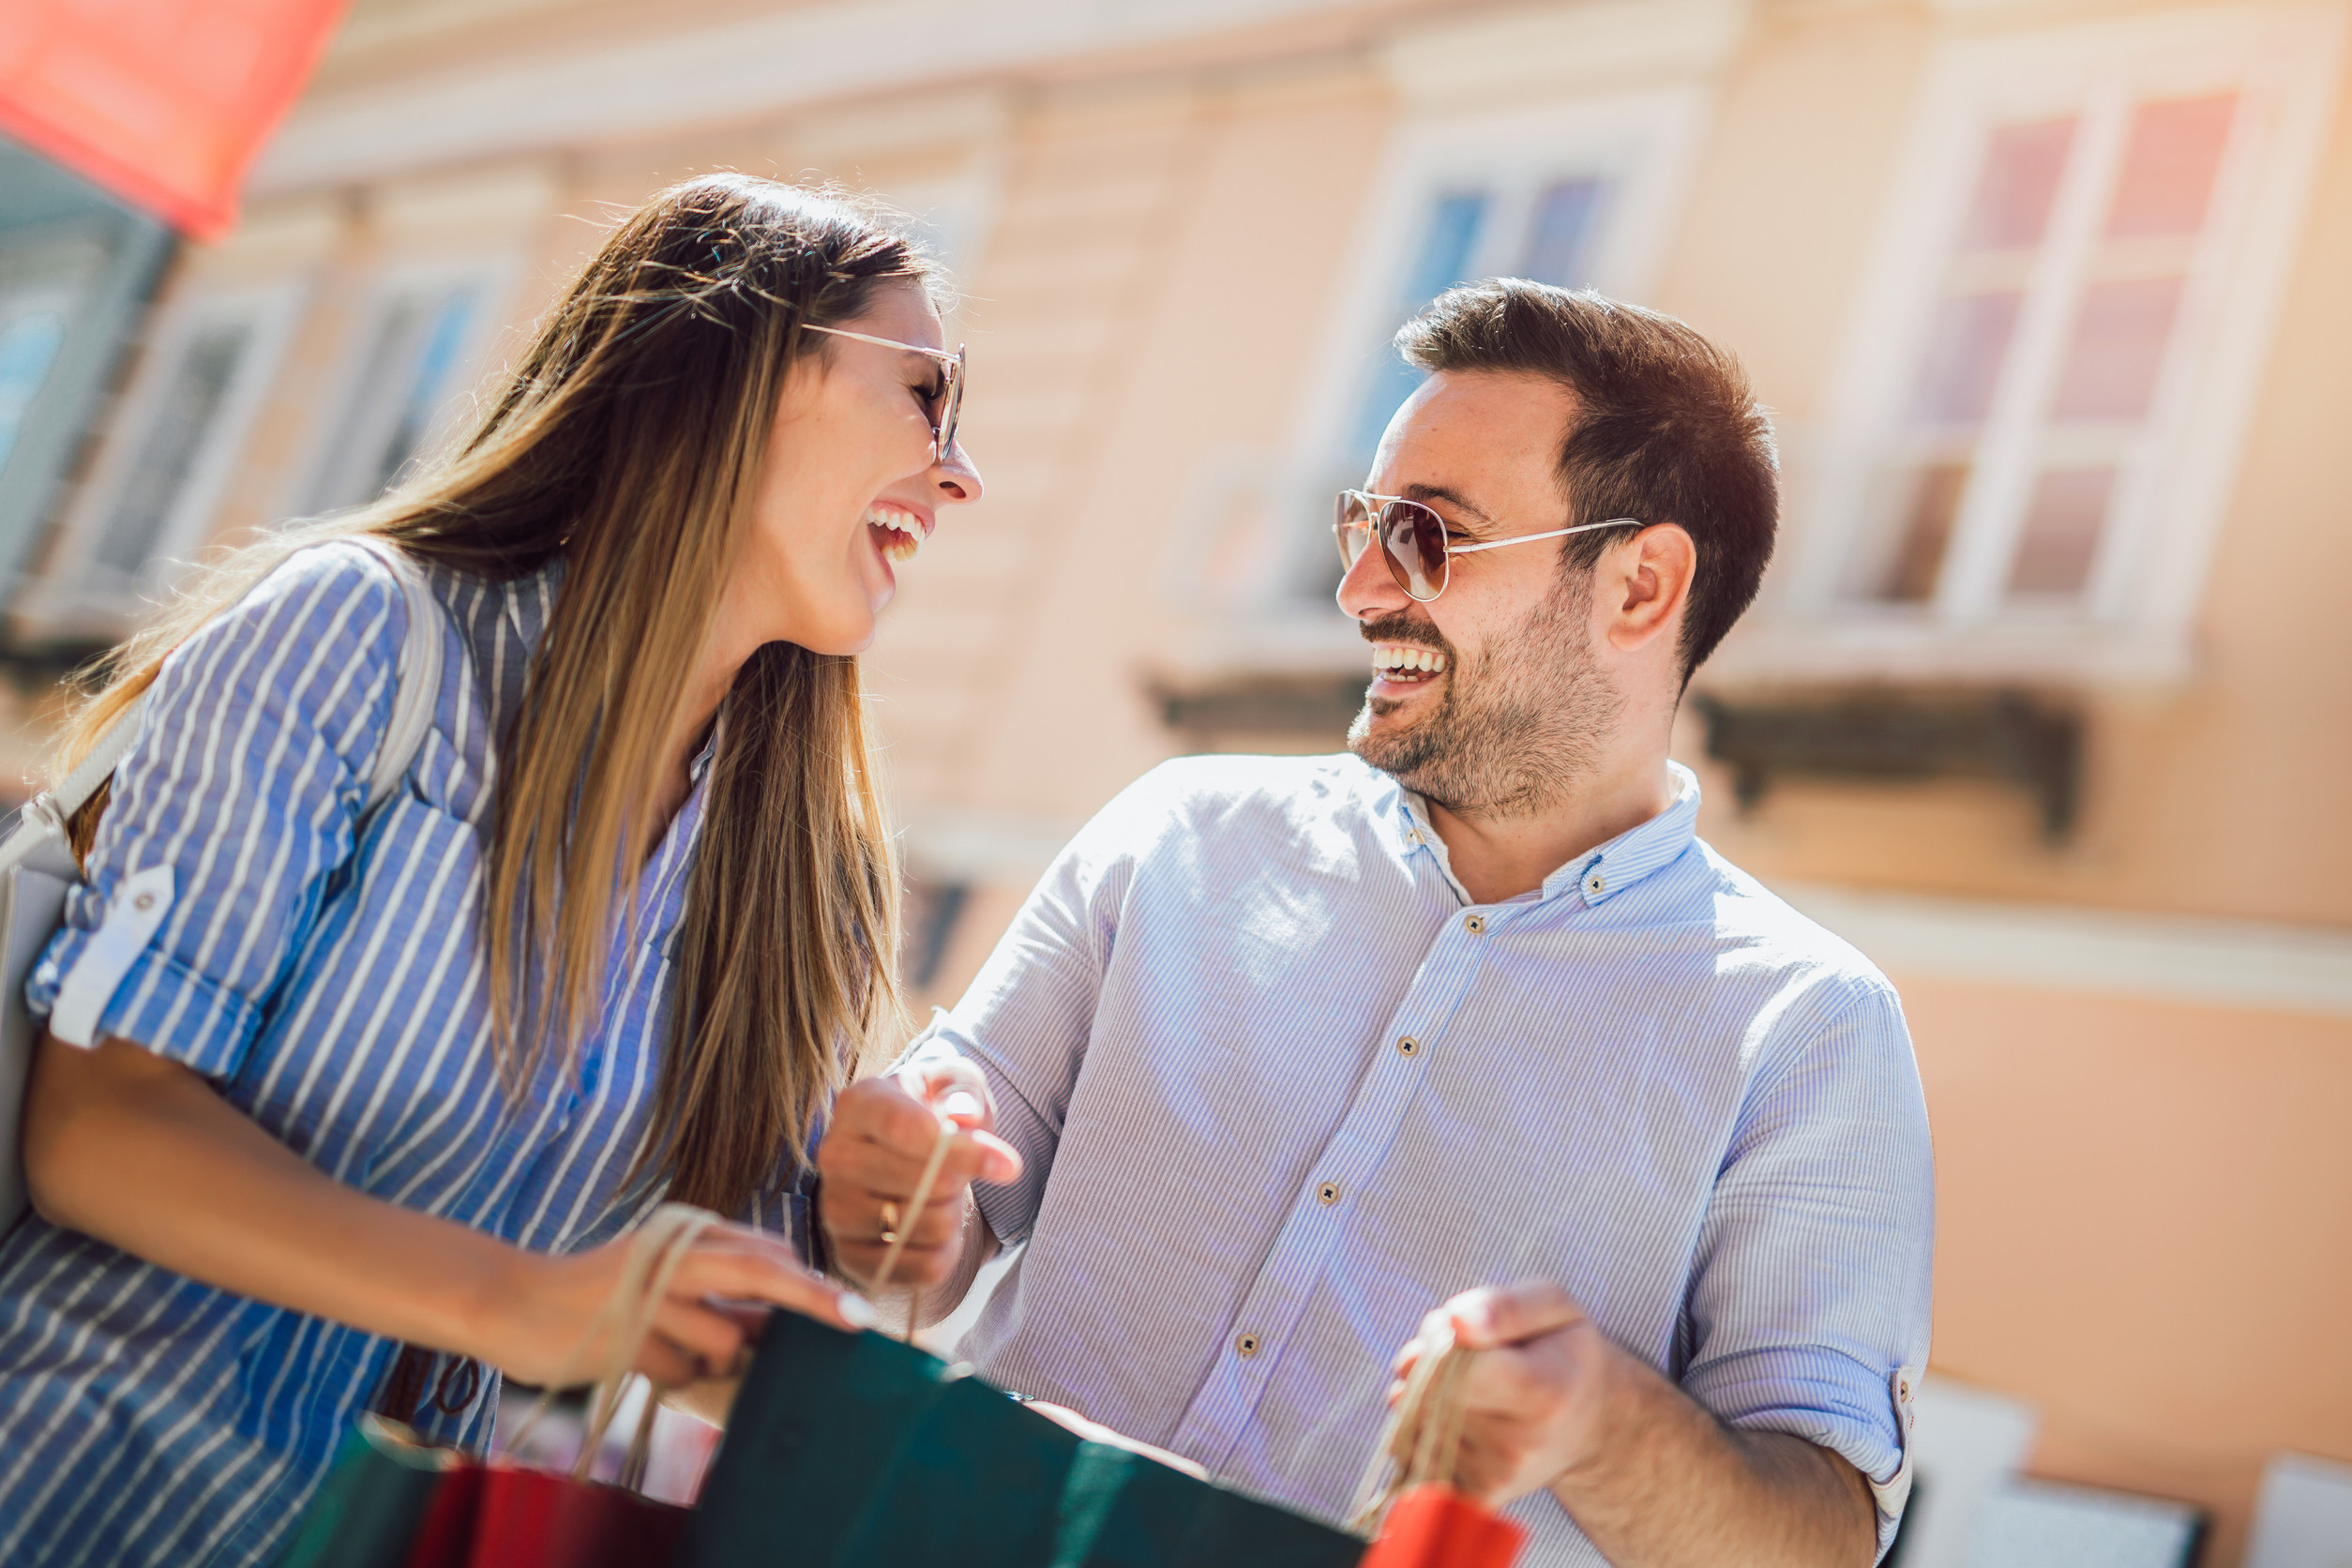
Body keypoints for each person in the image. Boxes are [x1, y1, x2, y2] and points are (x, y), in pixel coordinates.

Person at [817, 280, 1932, 1566]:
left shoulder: (1807, 1032)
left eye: (1425, 534)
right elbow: (919, 1244)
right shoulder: (1173, 836)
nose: (1356, 587)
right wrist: (894, 1190)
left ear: (1639, 588)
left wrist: (1607, 1424)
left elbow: (1822, 1545)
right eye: (1363, 523)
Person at [0, 174, 982, 1568]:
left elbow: (681, 1334)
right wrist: (528, 1305)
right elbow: (97, 1129)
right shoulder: (361, 635)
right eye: (927, 396)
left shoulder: (795, 868)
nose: (961, 471)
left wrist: (849, 1218)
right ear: (735, 375)